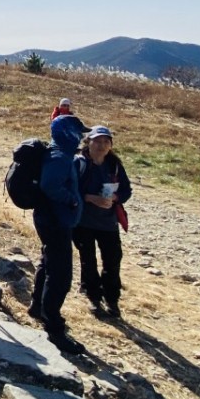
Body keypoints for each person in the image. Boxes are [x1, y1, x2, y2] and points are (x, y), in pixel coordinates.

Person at [28, 114, 91, 354]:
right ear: (68, 133)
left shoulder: (58, 153)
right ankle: (54, 326)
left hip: (51, 219)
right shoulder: (60, 157)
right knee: (61, 275)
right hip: (55, 220)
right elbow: (50, 185)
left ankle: (38, 306)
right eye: (79, 132)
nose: (82, 137)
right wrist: (71, 200)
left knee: (48, 263)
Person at [72, 126, 132, 318]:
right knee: (88, 261)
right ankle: (94, 298)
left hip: (108, 223)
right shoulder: (78, 163)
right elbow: (69, 189)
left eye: (106, 141)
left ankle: (112, 299)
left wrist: (115, 197)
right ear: (88, 142)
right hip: (83, 222)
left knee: (113, 261)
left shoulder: (114, 165)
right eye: (97, 141)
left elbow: (126, 190)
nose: (102, 145)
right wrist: (90, 198)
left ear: (110, 145)